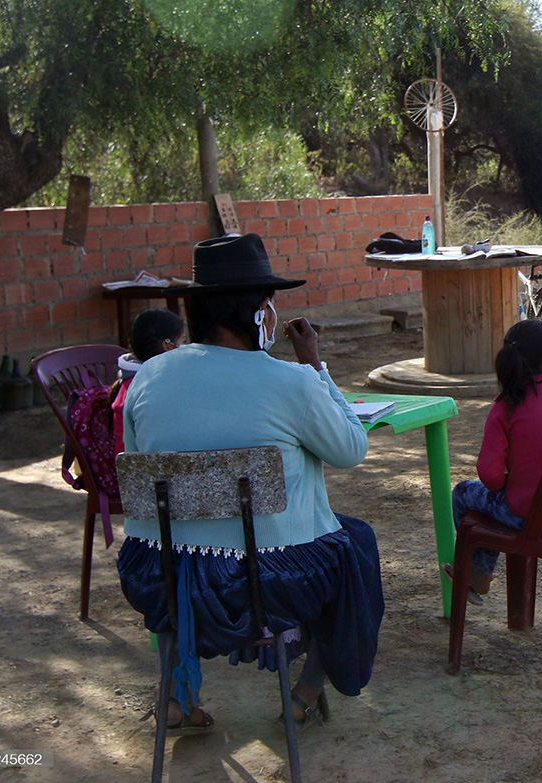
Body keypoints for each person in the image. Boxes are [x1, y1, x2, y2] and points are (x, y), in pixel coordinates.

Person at [117, 233, 382, 732]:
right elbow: (351, 449)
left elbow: (139, 460)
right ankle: (305, 692)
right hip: (266, 584)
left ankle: (174, 695)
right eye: (270, 303)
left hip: (160, 575)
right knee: (356, 545)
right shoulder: (292, 382)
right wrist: (316, 366)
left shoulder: (147, 377)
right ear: (260, 313)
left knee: (187, 546)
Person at [445, 319, 542, 605]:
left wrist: (513, 481)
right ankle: (479, 571)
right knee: (499, 499)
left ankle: (478, 571)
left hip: (528, 517)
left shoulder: (506, 406)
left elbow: (490, 477)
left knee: (463, 493)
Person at [110, 308, 186, 454]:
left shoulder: (131, 380)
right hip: (135, 464)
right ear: (168, 346)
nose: (185, 348)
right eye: (183, 341)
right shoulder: (147, 387)